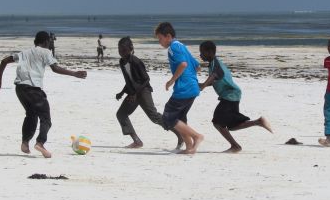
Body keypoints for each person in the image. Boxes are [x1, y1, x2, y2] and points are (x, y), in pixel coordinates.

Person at [0, 31, 87, 158]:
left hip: (20, 89)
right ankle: (40, 143)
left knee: (31, 114)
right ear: (46, 41)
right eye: (50, 42)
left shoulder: (24, 52)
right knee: (46, 118)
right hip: (33, 89)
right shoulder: (46, 52)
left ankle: (25, 142)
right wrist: (74, 73)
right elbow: (55, 68)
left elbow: (4, 61)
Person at [198, 41, 273, 153]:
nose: (200, 55)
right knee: (232, 126)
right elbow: (215, 80)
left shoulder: (216, 64)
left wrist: (203, 85)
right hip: (232, 95)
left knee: (218, 122)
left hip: (230, 95)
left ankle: (235, 146)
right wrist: (201, 84)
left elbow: (214, 75)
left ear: (209, 52)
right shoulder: (214, 64)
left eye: (202, 52)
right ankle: (258, 122)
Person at [115, 37, 183, 149]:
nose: (121, 52)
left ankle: (179, 134)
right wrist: (122, 92)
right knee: (121, 114)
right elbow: (129, 80)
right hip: (133, 93)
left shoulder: (136, 61)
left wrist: (135, 94)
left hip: (144, 91)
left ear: (131, 49)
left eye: (124, 50)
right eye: (119, 50)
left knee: (154, 117)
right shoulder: (122, 62)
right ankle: (137, 141)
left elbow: (146, 79)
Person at [155, 22, 204, 154]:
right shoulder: (181, 46)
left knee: (168, 117)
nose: (159, 42)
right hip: (193, 88)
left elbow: (182, 64)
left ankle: (196, 136)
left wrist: (172, 81)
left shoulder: (173, 48)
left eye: (160, 38)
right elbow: (197, 66)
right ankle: (189, 147)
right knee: (181, 118)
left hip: (184, 88)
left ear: (168, 36)